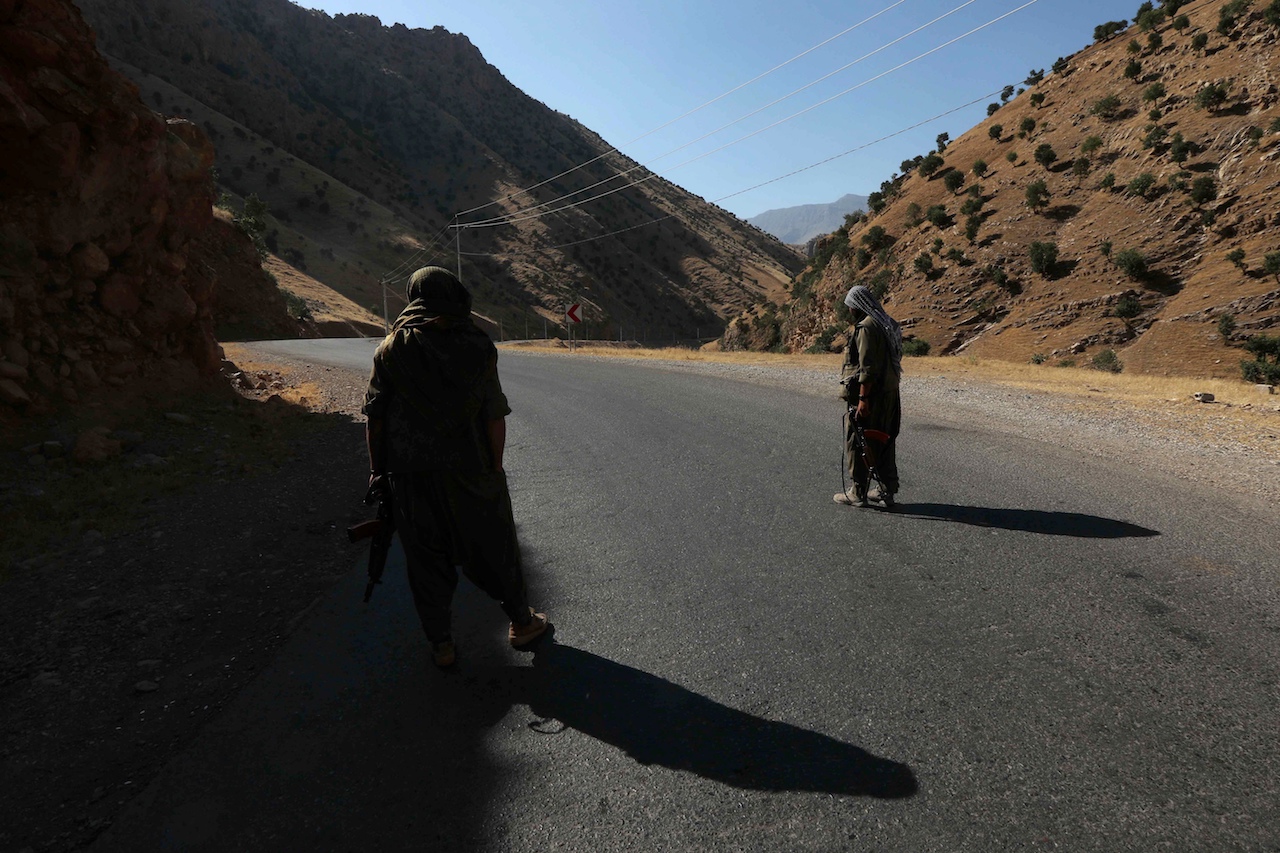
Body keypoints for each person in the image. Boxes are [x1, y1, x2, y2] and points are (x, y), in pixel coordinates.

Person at [363, 266, 549, 668]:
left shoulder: (391, 349)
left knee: (426, 561)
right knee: (495, 546)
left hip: (411, 477)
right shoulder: (478, 345)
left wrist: (378, 471)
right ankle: (522, 623)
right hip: (472, 469)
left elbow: (375, 417)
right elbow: (493, 415)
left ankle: (442, 645)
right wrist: (494, 468)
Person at [835, 284, 903, 509]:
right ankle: (886, 490)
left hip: (872, 396)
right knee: (884, 440)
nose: (849, 311)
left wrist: (863, 400)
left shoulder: (866, 327)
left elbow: (867, 368)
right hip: (890, 394)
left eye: (850, 306)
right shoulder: (886, 323)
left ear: (856, 306)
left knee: (859, 441)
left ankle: (858, 492)